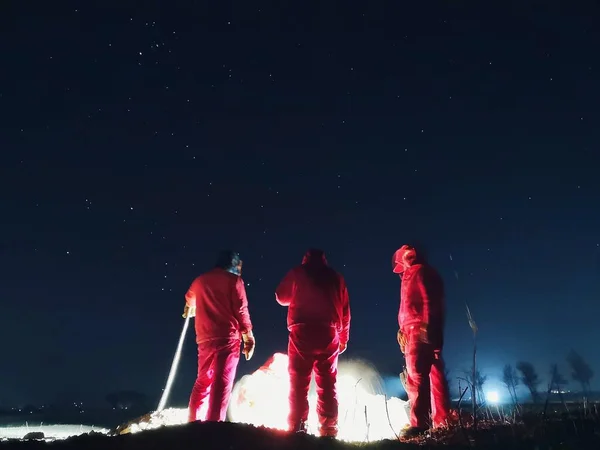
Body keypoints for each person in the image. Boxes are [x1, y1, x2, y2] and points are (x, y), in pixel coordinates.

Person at [275, 249, 351, 438]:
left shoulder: (298, 272)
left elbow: (280, 296)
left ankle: (298, 427)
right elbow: (345, 310)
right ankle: (328, 429)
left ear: (305, 259)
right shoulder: (336, 277)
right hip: (329, 331)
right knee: (327, 381)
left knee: (299, 380)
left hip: (302, 331)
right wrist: (343, 338)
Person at [183, 250, 256, 423]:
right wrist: (248, 336)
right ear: (234, 264)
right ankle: (214, 425)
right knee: (222, 382)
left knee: (203, 380)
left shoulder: (200, 280)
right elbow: (241, 309)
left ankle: (193, 422)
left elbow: (189, 300)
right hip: (227, 338)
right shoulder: (234, 281)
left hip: (205, 338)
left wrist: (190, 307)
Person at [392, 244, 450, 438]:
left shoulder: (418, 272)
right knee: (435, 374)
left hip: (417, 329)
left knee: (416, 376)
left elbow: (425, 300)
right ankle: (442, 420)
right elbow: (428, 302)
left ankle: (419, 425)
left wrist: (423, 324)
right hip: (422, 329)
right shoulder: (425, 273)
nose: (403, 263)